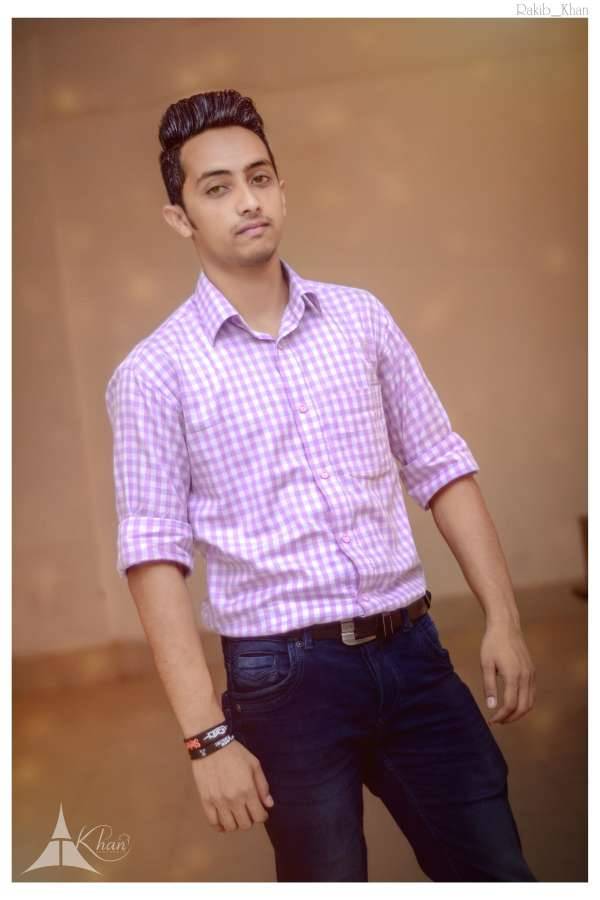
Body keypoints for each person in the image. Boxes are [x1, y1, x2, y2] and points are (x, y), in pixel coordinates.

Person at [105, 89, 538, 882]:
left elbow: (441, 466)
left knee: (496, 871)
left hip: (413, 651)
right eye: (217, 188)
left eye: (259, 177)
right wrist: (206, 738)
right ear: (179, 217)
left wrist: (503, 619)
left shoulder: (360, 319)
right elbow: (153, 556)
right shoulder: (154, 373)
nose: (247, 200)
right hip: (283, 682)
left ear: (282, 187)